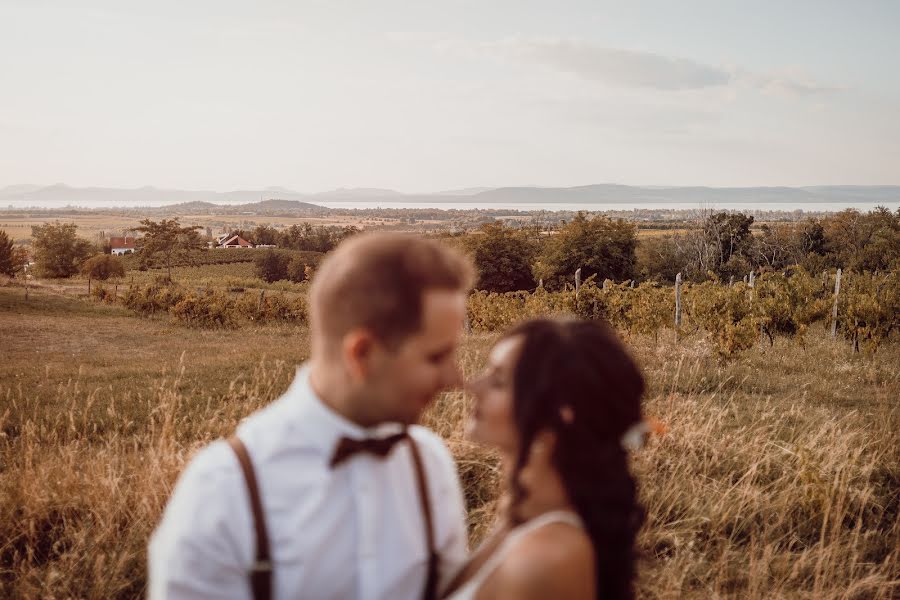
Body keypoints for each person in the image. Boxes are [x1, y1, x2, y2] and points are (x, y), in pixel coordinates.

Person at [149, 233, 475, 600]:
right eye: (436, 357)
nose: (455, 379)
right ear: (362, 354)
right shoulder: (223, 490)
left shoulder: (429, 463)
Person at [443, 318, 647, 600]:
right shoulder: (525, 515)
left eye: (499, 382)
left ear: (550, 424)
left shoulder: (546, 561)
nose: (475, 386)